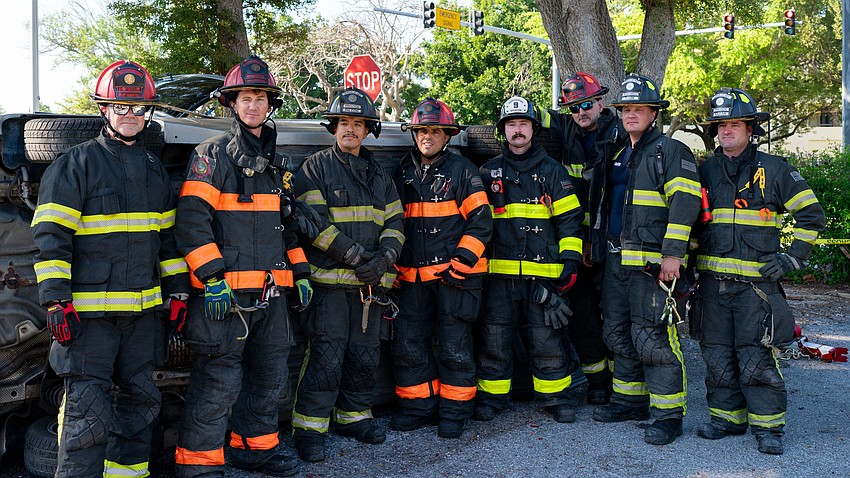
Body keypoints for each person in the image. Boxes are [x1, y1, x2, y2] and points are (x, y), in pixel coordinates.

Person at [31, 60, 189, 477]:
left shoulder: (155, 170)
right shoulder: (75, 164)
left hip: (142, 318)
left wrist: (177, 292)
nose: (131, 116)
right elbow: (51, 239)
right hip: (88, 322)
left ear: (148, 113)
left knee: (141, 406)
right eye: (121, 107)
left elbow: (167, 240)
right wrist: (55, 301)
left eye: (138, 109)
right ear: (104, 109)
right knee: (87, 417)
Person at [173, 55, 310, 478]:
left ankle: (255, 451)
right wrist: (211, 279)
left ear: (271, 105)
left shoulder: (276, 163)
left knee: (270, 379)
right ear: (231, 103)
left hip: (272, 295)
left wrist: (301, 272)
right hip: (225, 299)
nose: (254, 105)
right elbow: (192, 222)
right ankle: (198, 466)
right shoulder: (211, 156)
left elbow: (286, 227)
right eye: (245, 97)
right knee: (218, 383)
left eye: (261, 98)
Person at [691, 87, 825, 455]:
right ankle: (726, 419)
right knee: (716, 358)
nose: (726, 131)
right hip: (711, 288)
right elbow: (689, 224)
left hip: (755, 291)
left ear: (751, 129)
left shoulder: (776, 169)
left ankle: (768, 428)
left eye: (734, 124)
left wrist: (792, 258)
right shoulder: (704, 171)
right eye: (720, 126)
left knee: (755, 359)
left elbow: (812, 215)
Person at [291, 87, 405, 462]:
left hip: (369, 289)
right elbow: (314, 225)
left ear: (368, 129)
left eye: (358, 123)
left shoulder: (379, 174)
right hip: (330, 288)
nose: (350, 129)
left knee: (365, 357)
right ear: (333, 127)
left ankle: (354, 418)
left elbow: (395, 220)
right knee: (325, 358)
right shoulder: (314, 168)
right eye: (344, 123)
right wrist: (359, 258)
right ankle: (309, 430)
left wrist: (386, 257)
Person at [589, 74, 701, 446]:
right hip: (616, 262)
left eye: (639, 108)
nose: (631, 114)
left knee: (652, 338)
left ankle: (668, 415)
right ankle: (629, 400)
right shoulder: (620, 153)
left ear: (654, 113)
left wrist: (673, 256)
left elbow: (685, 206)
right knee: (617, 334)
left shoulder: (671, 152)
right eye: (626, 109)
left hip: (653, 266)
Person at [476, 96, 586, 424]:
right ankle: (493, 397)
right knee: (495, 338)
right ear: (503, 131)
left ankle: (556, 398)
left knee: (547, 339)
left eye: (524, 124)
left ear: (534, 129)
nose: (518, 130)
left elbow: (569, 219)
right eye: (512, 125)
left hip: (545, 276)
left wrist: (570, 262)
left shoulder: (553, 171)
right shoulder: (487, 172)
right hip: (499, 276)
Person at [389, 98, 492, 439]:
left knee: (454, 347)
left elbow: (480, 222)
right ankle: (419, 407)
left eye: (435, 131)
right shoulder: (402, 172)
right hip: (411, 279)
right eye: (421, 130)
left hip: (455, 279)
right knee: (408, 345)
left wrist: (460, 265)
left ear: (447, 135)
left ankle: (455, 411)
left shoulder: (463, 171)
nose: (427, 136)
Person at [540, 71, 628, 404]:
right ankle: (598, 382)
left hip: (610, 239)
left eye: (586, 104)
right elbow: (530, 116)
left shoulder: (619, 133)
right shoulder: (567, 129)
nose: (581, 113)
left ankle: (626, 384)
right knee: (583, 315)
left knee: (615, 314)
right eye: (574, 107)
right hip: (578, 240)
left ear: (601, 102)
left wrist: (594, 239)